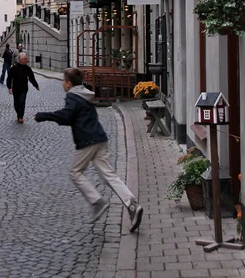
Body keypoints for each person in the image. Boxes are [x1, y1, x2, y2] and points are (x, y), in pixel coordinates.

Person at [35, 67, 143, 231]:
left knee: (75, 172)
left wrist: (44, 116)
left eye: (64, 81)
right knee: (109, 175)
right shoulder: (86, 94)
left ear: (69, 83)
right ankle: (131, 203)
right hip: (100, 137)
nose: (63, 84)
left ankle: (96, 201)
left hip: (87, 140)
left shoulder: (72, 96)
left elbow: (66, 116)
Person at [7, 53, 39, 123]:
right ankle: (18, 113)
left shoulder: (27, 68)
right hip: (15, 88)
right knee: (16, 103)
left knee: (22, 102)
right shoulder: (14, 68)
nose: (27, 60)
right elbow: (9, 79)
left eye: (26, 58)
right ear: (20, 60)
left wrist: (36, 85)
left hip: (24, 88)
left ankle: (21, 116)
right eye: (25, 59)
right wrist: (9, 88)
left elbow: (31, 78)